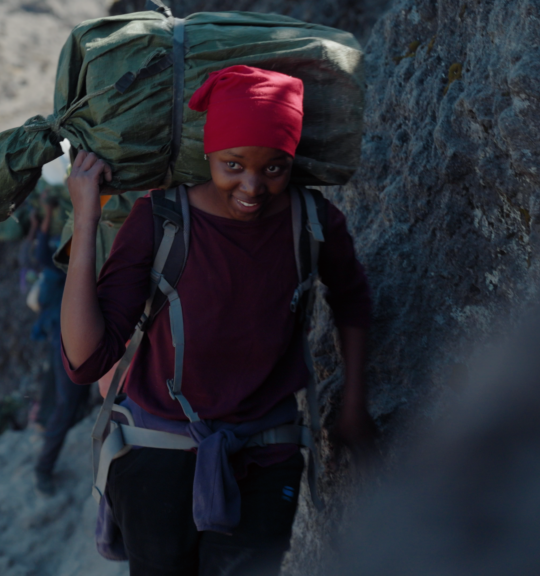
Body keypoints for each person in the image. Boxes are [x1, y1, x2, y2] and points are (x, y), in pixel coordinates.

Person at [61, 65, 374, 575]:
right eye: (233, 164)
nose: (252, 186)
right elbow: (84, 360)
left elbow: (353, 298)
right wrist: (86, 217)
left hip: (266, 457)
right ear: (207, 154)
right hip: (155, 458)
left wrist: (354, 403)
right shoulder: (160, 220)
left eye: (274, 168)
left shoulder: (314, 222)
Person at [29, 191, 89, 496]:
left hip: (60, 337)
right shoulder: (66, 263)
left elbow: (37, 254)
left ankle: (45, 434)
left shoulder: (58, 262)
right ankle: (43, 468)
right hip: (67, 340)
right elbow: (40, 256)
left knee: (61, 397)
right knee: (66, 406)